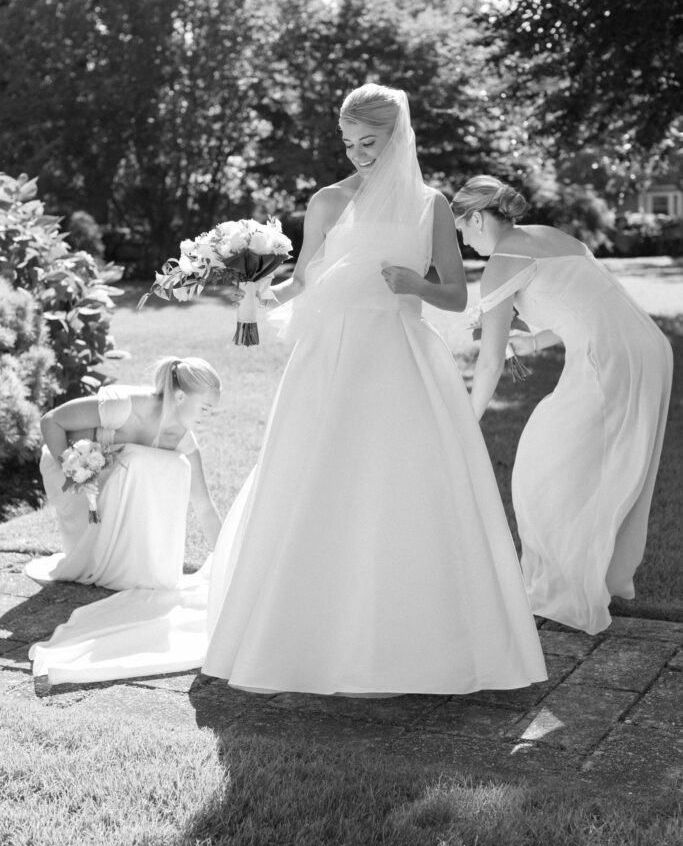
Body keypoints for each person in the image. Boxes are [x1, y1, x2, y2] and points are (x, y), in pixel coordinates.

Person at [202, 84, 547, 695]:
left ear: (399, 137)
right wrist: (255, 297)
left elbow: (456, 294)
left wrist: (414, 282)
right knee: (320, 479)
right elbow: (306, 279)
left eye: (371, 142)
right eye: (350, 143)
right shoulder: (328, 201)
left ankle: (417, 637)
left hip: (401, 353)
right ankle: (304, 632)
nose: (359, 154)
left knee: (402, 483)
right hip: (329, 358)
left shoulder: (431, 204)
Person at [452, 175, 673, 635]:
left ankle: (563, 593)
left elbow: (490, 361)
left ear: (476, 218)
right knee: (590, 466)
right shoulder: (553, 237)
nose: (465, 242)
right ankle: (586, 580)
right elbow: (589, 305)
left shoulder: (503, 260)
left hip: (607, 360)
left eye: (462, 231)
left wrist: (467, 419)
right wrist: (532, 341)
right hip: (645, 347)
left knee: (542, 466)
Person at [25, 357, 222, 591]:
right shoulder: (123, 406)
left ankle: (133, 562)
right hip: (69, 469)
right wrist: (73, 472)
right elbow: (51, 421)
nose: (207, 416)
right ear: (180, 397)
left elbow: (204, 505)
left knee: (177, 466)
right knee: (138, 460)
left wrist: (227, 555)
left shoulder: (183, 440)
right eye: (205, 408)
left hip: (107, 474)